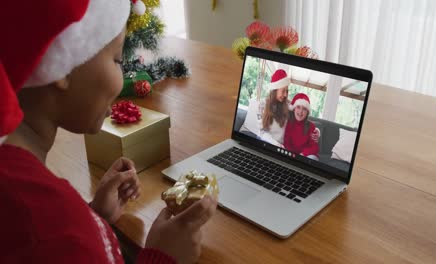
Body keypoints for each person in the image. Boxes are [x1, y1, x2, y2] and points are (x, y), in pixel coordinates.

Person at [0, 1, 217, 263]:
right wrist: (162, 257)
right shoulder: (56, 229)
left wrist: (94, 217)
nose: (123, 76)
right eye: (117, 59)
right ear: (64, 63)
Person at [284, 93, 320, 160]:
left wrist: (302, 154)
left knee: (312, 158)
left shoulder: (311, 126)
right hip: (291, 156)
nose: (300, 112)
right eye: (298, 107)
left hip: (306, 156)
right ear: (294, 109)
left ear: (307, 112)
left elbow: (314, 147)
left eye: (304, 109)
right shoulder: (288, 123)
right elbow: (286, 143)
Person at [260, 69, 290, 147]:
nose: (286, 95)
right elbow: (262, 132)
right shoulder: (263, 105)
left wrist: (316, 131)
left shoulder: (288, 105)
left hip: (281, 148)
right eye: (283, 91)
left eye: (287, 91)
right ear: (275, 90)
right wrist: (276, 144)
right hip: (267, 145)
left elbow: (301, 116)